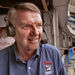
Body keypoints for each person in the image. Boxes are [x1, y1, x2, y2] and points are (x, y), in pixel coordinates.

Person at [0, 2, 67, 75]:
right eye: (27, 26)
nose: (36, 32)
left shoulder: (53, 54)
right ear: (11, 30)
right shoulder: (1, 59)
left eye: (39, 25)